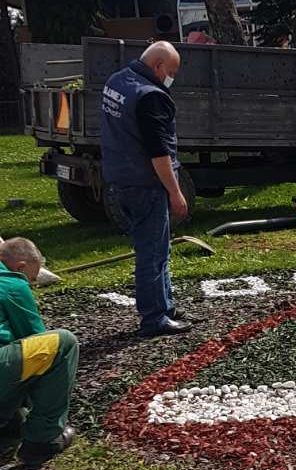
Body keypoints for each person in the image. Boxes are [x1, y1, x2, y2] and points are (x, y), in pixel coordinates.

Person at [100, 41, 192, 337]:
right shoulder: (150, 96)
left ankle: (165, 305)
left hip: (120, 178)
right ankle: (155, 318)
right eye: (171, 72)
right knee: (152, 252)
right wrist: (176, 192)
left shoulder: (117, 81)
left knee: (156, 248)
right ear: (157, 66)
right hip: (146, 184)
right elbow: (159, 152)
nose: (171, 79)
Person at [0, 238, 77, 467]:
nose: (31, 285)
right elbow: (37, 341)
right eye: (32, 279)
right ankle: (43, 440)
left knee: (18, 416)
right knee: (61, 344)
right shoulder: (11, 284)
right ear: (21, 267)